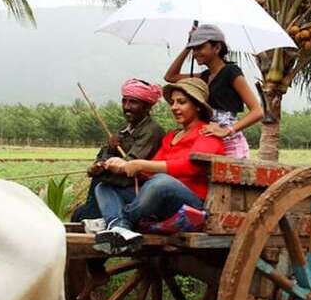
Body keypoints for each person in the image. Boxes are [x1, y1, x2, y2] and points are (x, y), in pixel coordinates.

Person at [93, 78, 225, 253]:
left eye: (182, 102)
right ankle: (119, 228)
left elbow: (191, 166)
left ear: (198, 106)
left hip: (190, 205)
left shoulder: (208, 135)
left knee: (161, 182)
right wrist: (122, 165)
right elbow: (149, 171)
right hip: (158, 199)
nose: (174, 107)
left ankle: (118, 221)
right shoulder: (171, 137)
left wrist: (140, 164)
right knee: (104, 186)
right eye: (172, 102)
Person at [71, 79, 165, 224]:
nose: (127, 107)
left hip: (135, 190)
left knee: (85, 214)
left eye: (133, 102)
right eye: (124, 101)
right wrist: (105, 156)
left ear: (147, 106)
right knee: (79, 215)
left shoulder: (152, 131)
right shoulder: (123, 130)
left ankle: (115, 224)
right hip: (114, 184)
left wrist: (100, 171)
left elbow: (130, 167)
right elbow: (102, 157)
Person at [164, 24, 264, 159]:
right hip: (208, 141)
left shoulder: (231, 72)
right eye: (193, 49)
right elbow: (170, 77)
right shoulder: (205, 76)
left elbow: (257, 111)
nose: (195, 53)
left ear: (216, 48)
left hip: (230, 145)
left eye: (200, 48)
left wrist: (227, 131)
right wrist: (188, 46)